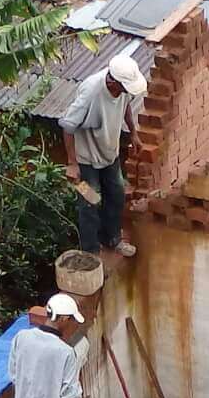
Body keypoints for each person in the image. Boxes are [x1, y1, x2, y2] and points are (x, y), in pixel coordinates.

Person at [59, 52, 147, 260]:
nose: (126, 92)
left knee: (116, 194)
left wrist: (133, 132)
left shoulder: (123, 90)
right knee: (90, 201)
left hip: (110, 155)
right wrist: (72, 164)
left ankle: (112, 239)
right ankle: (91, 253)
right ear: (113, 82)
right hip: (85, 161)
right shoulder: (91, 91)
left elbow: (125, 107)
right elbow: (67, 126)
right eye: (124, 88)